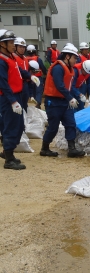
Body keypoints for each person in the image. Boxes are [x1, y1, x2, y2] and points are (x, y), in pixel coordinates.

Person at [41, 44, 85, 158]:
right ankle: (44, 148)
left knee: (70, 124)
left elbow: (69, 86)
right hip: (53, 102)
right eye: (74, 58)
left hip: (64, 101)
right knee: (53, 127)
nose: (76, 60)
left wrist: (74, 96)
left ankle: (72, 149)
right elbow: (59, 85)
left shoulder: (70, 69)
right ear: (67, 56)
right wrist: (70, 98)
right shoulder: (58, 68)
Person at [0, 29, 35, 170]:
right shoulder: (1, 61)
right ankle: (8, 159)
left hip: (17, 95)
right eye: (10, 42)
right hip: (9, 98)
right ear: (2, 44)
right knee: (11, 126)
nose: (14, 45)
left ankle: (8, 153)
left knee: (19, 126)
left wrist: (29, 76)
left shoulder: (10, 57)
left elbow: (18, 71)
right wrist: (13, 101)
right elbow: (2, 82)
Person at [26, 44, 47, 109]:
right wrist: (46, 73)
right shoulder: (38, 59)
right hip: (38, 77)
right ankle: (38, 103)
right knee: (39, 91)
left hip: (30, 78)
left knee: (33, 91)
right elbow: (42, 67)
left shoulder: (25, 59)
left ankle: (35, 102)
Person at [13, 37, 31, 112]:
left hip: (25, 84)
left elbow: (27, 70)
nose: (22, 49)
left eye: (24, 47)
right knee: (18, 104)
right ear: (15, 47)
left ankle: (24, 121)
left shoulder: (25, 58)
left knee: (25, 103)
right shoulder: (13, 58)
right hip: (16, 84)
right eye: (20, 47)